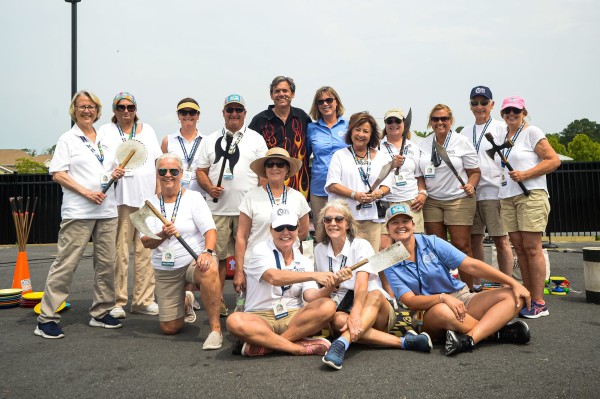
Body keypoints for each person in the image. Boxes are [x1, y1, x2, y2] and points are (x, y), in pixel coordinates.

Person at [383, 204, 533, 356]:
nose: (401, 226)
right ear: (388, 229)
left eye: (405, 221)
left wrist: (514, 283)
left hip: (461, 297)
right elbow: (410, 301)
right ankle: (496, 331)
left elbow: (472, 266)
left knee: (514, 295)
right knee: (443, 311)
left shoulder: (432, 242)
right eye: (395, 222)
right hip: (427, 311)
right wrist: (443, 298)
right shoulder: (388, 259)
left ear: (413, 225)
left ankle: (470, 338)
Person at [35, 90, 125, 339]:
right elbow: (58, 174)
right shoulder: (68, 139)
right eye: (82, 106)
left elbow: (110, 169)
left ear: (98, 111)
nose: (87, 110)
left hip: (107, 210)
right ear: (74, 110)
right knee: (66, 263)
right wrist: (87, 193)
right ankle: (46, 318)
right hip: (78, 211)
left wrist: (117, 172)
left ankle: (101, 312)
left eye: (91, 107)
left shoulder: (107, 139)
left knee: (107, 264)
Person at [313, 200, 432, 370]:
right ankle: (404, 342)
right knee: (338, 319)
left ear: (347, 223)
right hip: (343, 304)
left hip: (372, 304)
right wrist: (335, 285)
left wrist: (355, 313)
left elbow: (362, 285)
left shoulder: (361, 245)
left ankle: (341, 343)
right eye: (328, 220)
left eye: (338, 219)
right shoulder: (319, 249)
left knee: (374, 294)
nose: (333, 223)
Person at [226, 205, 346, 357]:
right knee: (234, 321)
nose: (285, 232)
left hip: (293, 317)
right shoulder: (260, 250)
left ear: (297, 229)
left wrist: (332, 284)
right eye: (279, 228)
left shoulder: (302, 259)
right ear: (271, 230)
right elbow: (273, 278)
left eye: (290, 227)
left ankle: (272, 345)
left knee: (328, 305)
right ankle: (297, 347)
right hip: (260, 316)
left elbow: (310, 296)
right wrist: (314, 275)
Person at [140, 153, 223, 349]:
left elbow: (210, 230)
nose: (168, 175)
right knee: (170, 328)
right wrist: (162, 234)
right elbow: (145, 242)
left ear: (181, 173)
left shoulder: (193, 198)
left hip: (191, 261)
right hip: (165, 268)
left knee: (208, 267)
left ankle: (215, 330)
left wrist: (207, 252)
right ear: (157, 174)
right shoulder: (149, 204)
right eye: (163, 171)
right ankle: (186, 299)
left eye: (173, 171)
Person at [196, 94, 268, 316]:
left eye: (238, 110)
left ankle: (245, 300)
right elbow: (201, 171)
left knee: (246, 258)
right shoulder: (210, 139)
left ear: (245, 113)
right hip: (217, 210)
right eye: (230, 110)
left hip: (247, 210)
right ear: (223, 113)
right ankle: (217, 302)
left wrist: (260, 198)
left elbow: (264, 173)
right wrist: (209, 188)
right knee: (217, 259)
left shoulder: (256, 139)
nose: (234, 114)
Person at [496, 96, 560, 318]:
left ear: (524, 111)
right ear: (502, 114)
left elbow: (553, 160)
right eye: (507, 111)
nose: (511, 114)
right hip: (508, 197)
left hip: (530, 195)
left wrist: (525, 174)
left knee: (533, 248)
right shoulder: (504, 135)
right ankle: (529, 297)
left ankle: (540, 302)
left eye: (516, 110)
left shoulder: (532, 132)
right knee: (519, 248)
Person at [100, 92, 162, 319]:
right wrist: (109, 173)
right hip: (120, 201)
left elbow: (157, 163)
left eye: (130, 107)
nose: (126, 111)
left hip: (146, 201)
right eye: (121, 107)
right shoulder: (106, 132)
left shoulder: (148, 130)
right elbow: (101, 164)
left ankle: (143, 300)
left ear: (136, 109)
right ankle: (118, 301)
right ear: (114, 110)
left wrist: (157, 194)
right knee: (120, 253)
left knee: (146, 251)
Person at [418, 104, 480, 288]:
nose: (440, 122)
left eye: (444, 118)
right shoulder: (422, 144)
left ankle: (468, 291)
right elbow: (419, 174)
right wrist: (422, 192)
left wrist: (471, 185)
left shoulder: (461, 141)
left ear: (451, 121)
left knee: (461, 246)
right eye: (435, 119)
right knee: (437, 249)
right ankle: (445, 291)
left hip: (458, 199)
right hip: (432, 201)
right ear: (430, 122)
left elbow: (475, 172)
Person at [234, 147, 310, 293]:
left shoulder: (298, 198)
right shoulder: (251, 196)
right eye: (270, 164)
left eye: (280, 164)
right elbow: (241, 236)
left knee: (293, 310)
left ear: (287, 169)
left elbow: (303, 233)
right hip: (257, 266)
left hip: (289, 266)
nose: (275, 168)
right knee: (251, 312)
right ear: (265, 169)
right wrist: (238, 271)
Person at [461, 86, 514, 289]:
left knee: (501, 240)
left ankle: (506, 284)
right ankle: (476, 284)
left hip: (494, 191)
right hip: (470, 193)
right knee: (475, 241)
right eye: (475, 103)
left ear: (492, 105)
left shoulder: (502, 128)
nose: (479, 106)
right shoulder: (465, 132)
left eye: (484, 102)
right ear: (470, 106)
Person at [325, 111, 392, 252]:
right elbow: (332, 185)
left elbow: (387, 185)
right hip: (345, 219)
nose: (361, 134)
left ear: (371, 134)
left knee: (372, 258)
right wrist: (355, 194)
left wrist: (377, 194)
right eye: (357, 129)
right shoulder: (340, 155)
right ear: (350, 132)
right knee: (347, 258)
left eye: (365, 131)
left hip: (372, 218)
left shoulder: (381, 156)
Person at [249, 76, 312, 198]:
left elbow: (309, 147)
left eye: (285, 91)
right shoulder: (259, 120)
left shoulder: (302, 117)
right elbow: (250, 150)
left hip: (299, 185)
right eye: (277, 91)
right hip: (269, 185)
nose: (281, 94)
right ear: (271, 95)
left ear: (292, 94)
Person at [379, 108, 427, 251]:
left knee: (412, 248)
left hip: (411, 202)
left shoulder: (413, 147)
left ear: (404, 124)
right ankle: (391, 274)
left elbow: (418, 175)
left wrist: (422, 193)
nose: (393, 124)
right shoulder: (376, 147)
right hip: (386, 202)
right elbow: (373, 176)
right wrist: (391, 165)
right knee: (386, 249)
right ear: (385, 124)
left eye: (397, 121)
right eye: (389, 121)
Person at [306, 86, 349, 222]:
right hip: (319, 187)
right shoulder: (311, 128)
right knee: (321, 231)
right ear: (317, 106)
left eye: (329, 100)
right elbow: (306, 155)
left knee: (344, 229)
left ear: (336, 102)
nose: (325, 104)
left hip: (345, 186)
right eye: (320, 101)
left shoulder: (349, 126)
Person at [161, 97, 206, 198]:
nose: (188, 115)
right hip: (174, 196)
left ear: (198, 115)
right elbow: (160, 171)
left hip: (201, 196)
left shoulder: (207, 141)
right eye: (183, 112)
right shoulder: (167, 140)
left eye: (192, 112)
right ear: (178, 116)